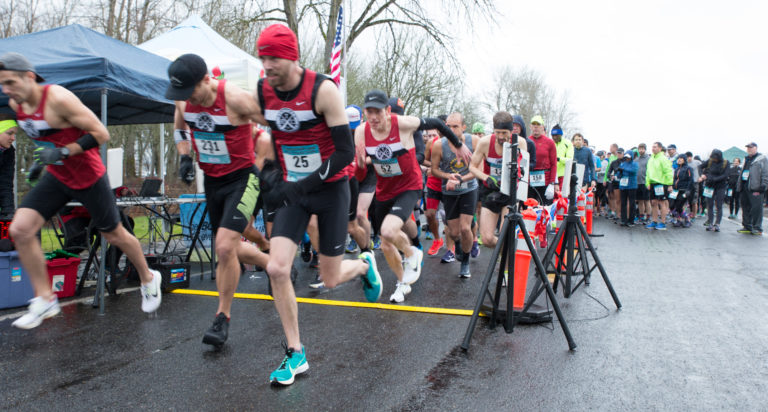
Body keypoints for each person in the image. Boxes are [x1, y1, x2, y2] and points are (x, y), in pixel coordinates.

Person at [254, 25, 386, 385]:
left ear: (292, 56)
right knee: (278, 268)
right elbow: (267, 136)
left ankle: (361, 265)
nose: (267, 65)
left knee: (329, 278)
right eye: (262, 57)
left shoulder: (323, 90)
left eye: (274, 58)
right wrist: (266, 171)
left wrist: (305, 184)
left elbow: (344, 151)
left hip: (329, 189)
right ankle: (296, 354)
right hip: (293, 191)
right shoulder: (263, 90)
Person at [0, 52, 162, 329]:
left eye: (11, 82)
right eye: (2, 84)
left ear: (29, 77)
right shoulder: (17, 104)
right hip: (58, 176)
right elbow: (46, 137)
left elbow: (101, 133)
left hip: (88, 176)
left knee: (115, 234)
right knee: (20, 229)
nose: (6, 90)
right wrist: (43, 161)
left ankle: (149, 278)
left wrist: (62, 151)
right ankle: (45, 298)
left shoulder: (58, 98)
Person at [166, 53, 272, 349]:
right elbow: (179, 127)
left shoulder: (235, 99)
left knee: (224, 246)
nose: (188, 98)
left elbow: (275, 122)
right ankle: (270, 262)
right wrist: (185, 156)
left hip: (243, 178)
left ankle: (222, 317)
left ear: (206, 80)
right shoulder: (182, 99)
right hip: (213, 181)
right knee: (231, 248)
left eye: (191, 91)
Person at [355, 89, 469, 302]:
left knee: (389, 231)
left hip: (409, 185)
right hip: (384, 189)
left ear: (388, 111)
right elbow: (361, 173)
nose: (373, 117)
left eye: (377, 112)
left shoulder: (403, 123)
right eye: (368, 112)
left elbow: (437, 122)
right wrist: (361, 165)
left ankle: (412, 253)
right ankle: (402, 282)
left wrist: (459, 144)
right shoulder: (361, 132)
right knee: (386, 242)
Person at [469, 111, 528, 249]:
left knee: (505, 234)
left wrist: (521, 196)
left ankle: (507, 267)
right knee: (487, 239)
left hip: (511, 192)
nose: (501, 137)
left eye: (504, 133)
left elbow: (525, 171)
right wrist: (486, 177)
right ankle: (506, 250)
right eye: (497, 132)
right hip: (491, 191)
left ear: (511, 130)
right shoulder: (484, 143)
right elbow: (471, 166)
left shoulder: (520, 142)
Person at [431, 112, 479, 278]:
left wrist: (459, 180)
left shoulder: (473, 142)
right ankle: (458, 244)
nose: (450, 130)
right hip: (449, 191)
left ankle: (465, 262)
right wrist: (448, 177)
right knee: (453, 232)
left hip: (469, 188)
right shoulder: (439, 145)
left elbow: (477, 170)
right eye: (447, 127)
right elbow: (434, 170)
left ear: (463, 127)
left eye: (455, 126)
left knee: (465, 228)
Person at [736, 142, 768, 235]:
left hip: (756, 188)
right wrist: (739, 185)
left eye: (751, 147)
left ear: (756, 148)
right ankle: (747, 226)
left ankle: (757, 228)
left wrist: (764, 185)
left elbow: (766, 173)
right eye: (748, 148)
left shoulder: (762, 158)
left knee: (756, 208)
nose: (749, 149)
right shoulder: (746, 159)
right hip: (745, 186)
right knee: (745, 207)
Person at [423, 128, 445, 256]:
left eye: (434, 134)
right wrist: (434, 166)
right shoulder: (431, 143)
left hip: (448, 183)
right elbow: (424, 159)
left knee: (447, 216)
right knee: (430, 214)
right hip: (433, 182)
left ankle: (451, 248)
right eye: (429, 134)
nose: (431, 137)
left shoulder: (451, 143)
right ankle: (437, 239)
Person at [527, 115, 557, 205]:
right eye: (534, 124)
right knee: (529, 208)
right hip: (530, 180)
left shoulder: (550, 142)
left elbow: (554, 164)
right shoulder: (526, 141)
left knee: (546, 208)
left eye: (538, 124)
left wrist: (552, 183)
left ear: (542, 127)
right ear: (530, 127)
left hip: (546, 180)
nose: (536, 127)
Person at [645, 142, 673, 230]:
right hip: (653, 184)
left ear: (660, 148)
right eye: (652, 147)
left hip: (661, 183)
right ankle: (654, 221)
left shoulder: (663, 158)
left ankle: (663, 222)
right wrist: (648, 183)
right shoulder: (651, 159)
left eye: (655, 147)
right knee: (653, 203)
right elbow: (648, 172)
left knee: (662, 203)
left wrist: (669, 184)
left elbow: (668, 171)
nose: (653, 149)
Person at [699, 149, 729, 232]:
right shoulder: (710, 161)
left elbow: (725, 175)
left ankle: (717, 224)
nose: (714, 159)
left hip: (720, 186)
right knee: (710, 205)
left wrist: (714, 179)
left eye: (715, 158)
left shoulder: (726, 162)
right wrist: (702, 175)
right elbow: (700, 167)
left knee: (719, 205)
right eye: (713, 158)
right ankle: (710, 223)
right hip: (709, 186)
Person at [0, 114, 17, 216]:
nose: (13, 138)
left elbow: (5, 184)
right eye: (10, 133)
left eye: (14, 134)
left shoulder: (9, 152)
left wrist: (8, 211)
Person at [670, 155, 694, 228]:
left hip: (684, 190)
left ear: (684, 160)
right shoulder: (677, 169)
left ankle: (687, 219)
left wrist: (688, 190)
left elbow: (691, 180)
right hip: (675, 190)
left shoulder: (688, 168)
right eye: (678, 159)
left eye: (681, 158)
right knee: (671, 206)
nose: (679, 160)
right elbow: (674, 179)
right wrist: (672, 186)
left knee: (679, 206)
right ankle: (679, 220)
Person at [617, 151, 638, 226]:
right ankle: (623, 219)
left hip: (632, 185)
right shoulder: (623, 164)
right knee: (623, 203)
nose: (627, 158)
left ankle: (631, 220)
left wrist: (623, 170)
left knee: (632, 203)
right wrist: (619, 172)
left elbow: (633, 171)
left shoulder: (634, 164)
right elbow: (619, 175)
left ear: (631, 157)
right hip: (623, 185)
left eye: (629, 157)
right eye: (626, 156)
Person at [552, 124, 573, 189]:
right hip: (552, 174)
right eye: (553, 136)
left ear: (561, 135)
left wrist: (558, 159)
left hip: (563, 175)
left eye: (557, 135)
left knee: (561, 196)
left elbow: (569, 160)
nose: (555, 137)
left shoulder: (568, 144)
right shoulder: (550, 143)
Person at [635, 143, 651, 223]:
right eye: (639, 149)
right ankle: (641, 216)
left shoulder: (649, 158)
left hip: (646, 182)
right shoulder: (636, 159)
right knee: (640, 200)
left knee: (647, 200)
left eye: (642, 149)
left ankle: (648, 216)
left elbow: (651, 171)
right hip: (638, 183)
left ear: (645, 149)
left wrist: (649, 182)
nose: (641, 150)